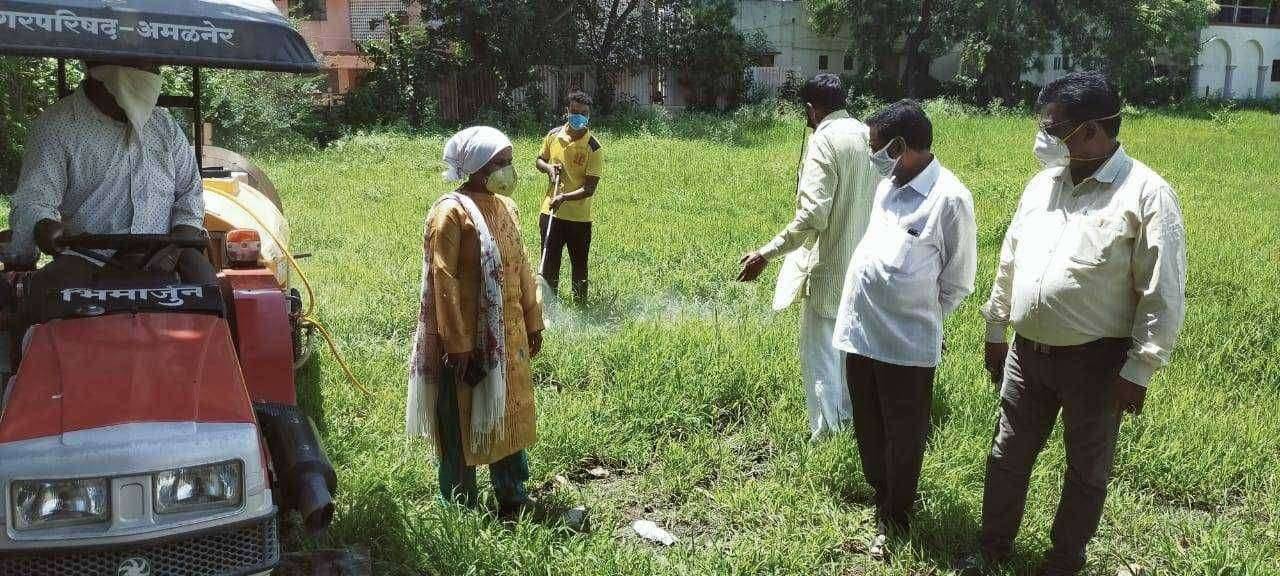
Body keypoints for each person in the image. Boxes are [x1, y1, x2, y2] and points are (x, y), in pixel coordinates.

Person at [958, 71, 1187, 576]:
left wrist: (1140, 370)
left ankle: (1063, 563)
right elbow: (1011, 257)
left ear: (1092, 131)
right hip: (1025, 354)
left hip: (1097, 362)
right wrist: (996, 327)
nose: (1044, 137)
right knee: (1007, 455)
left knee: (1085, 470)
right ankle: (991, 549)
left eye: (1054, 128)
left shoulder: (1147, 194)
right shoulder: (1042, 185)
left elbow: (1162, 291)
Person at [832, 100, 976, 555]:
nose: (872, 155)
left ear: (901, 146)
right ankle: (882, 497)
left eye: (877, 147)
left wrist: (924, 322)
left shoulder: (950, 199)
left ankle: (897, 514)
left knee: (903, 433)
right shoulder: (887, 185)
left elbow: (957, 282)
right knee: (869, 427)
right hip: (861, 334)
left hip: (906, 345)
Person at [407, 126, 545, 516]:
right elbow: (442, 281)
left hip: (508, 336)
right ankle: (459, 502)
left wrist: (533, 321)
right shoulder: (450, 212)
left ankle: (513, 494)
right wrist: (458, 344)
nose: (509, 170)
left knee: (507, 412)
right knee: (459, 420)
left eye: (509, 161)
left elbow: (521, 268)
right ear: (479, 167)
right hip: (467, 344)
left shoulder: (507, 208)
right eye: (502, 163)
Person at [8, 62, 216, 312]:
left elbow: (190, 191)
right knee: (37, 307)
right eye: (145, 68)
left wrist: (177, 244)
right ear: (105, 79)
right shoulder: (56, 126)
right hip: (88, 258)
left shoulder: (164, 125)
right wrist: (44, 225)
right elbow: (34, 200)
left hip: (167, 253)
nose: (155, 74)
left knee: (212, 299)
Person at [737, 73, 877, 440]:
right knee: (850, 354)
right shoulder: (868, 135)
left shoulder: (824, 140)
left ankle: (825, 435)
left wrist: (766, 253)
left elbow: (813, 215)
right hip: (866, 272)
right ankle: (848, 426)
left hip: (830, 269)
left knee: (820, 356)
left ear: (811, 110)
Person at [534, 90, 603, 304]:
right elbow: (539, 160)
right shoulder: (553, 135)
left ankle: (580, 307)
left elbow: (589, 189)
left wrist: (563, 198)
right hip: (550, 211)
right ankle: (548, 306)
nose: (578, 116)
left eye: (583, 113)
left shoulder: (594, 147)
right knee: (549, 262)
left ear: (589, 115)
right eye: (574, 111)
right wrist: (548, 168)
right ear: (567, 111)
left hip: (579, 218)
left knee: (579, 266)